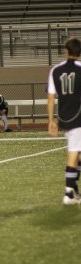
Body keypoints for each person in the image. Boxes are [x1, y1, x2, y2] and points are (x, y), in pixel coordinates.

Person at [47, 37, 81, 205]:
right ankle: (69, 192)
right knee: (74, 153)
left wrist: (51, 120)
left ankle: (74, 189)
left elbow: (51, 96)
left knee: (77, 154)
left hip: (64, 116)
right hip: (79, 117)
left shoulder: (55, 70)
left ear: (66, 50)